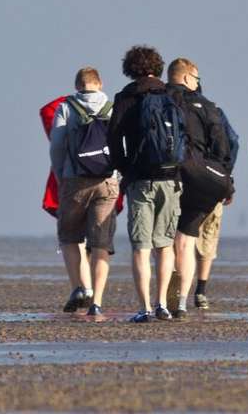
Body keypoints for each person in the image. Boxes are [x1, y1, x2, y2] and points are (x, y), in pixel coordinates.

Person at [108, 45, 183, 323]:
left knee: (141, 246)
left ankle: (144, 308)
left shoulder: (126, 97)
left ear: (130, 69)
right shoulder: (172, 95)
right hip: (171, 178)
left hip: (140, 179)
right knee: (165, 245)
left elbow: (114, 139)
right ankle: (162, 303)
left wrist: (125, 169)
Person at [166, 58, 236, 319]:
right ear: (186, 78)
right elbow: (224, 145)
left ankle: (162, 299)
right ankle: (182, 301)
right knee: (186, 240)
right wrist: (226, 180)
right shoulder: (206, 106)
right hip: (199, 179)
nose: (198, 83)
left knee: (164, 242)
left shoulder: (156, 101)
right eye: (196, 78)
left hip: (163, 176)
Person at [48, 66, 119, 321]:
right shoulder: (112, 108)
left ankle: (79, 287)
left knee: (69, 236)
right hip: (107, 181)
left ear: (77, 85)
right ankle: (97, 302)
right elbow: (121, 145)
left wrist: (61, 175)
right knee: (101, 243)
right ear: (99, 83)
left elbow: (57, 146)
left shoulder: (66, 108)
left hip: (74, 179)